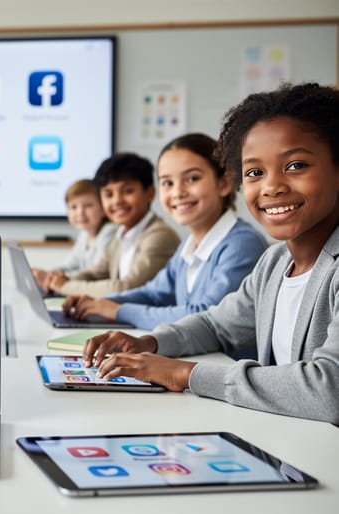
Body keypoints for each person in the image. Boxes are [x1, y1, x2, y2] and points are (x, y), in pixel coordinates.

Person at [83, 83, 339, 424]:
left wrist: (185, 374)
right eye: (255, 172)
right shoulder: (275, 264)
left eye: (295, 166)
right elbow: (215, 325)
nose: (271, 186)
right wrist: (149, 344)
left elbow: (329, 390)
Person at [62, 134, 268, 330]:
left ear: (224, 183)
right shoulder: (188, 246)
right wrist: (97, 303)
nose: (178, 192)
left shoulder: (242, 244)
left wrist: (118, 311)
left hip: (226, 365)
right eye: (168, 183)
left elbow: (205, 316)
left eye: (192, 178)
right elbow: (154, 294)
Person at [48, 153, 181, 296]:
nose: (117, 201)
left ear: (150, 193)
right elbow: (94, 273)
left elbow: (125, 289)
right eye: (109, 194)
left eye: (127, 191)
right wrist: (63, 281)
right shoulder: (122, 235)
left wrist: (65, 286)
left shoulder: (160, 236)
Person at [32, 179, 117, 292]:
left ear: (103, 209)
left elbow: (97, 274)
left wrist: (57, 279)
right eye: (73, 207)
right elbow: (68, 266)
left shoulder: (109, 232)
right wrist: (50, 275)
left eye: (88, 206)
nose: (80, 212)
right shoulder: (84, 235)